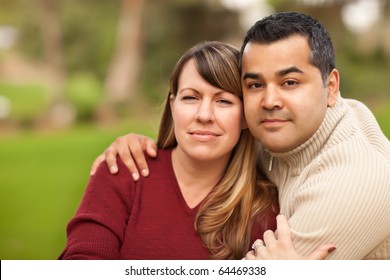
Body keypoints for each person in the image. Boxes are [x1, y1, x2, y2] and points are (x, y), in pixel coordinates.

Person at [92, 12, 390, 260]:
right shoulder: (275, 133)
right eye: (256, 85)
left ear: (332, 86)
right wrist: (134, 143)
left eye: (289, 82)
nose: (270, 100)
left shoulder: (354, 183)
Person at [60, 41, 332, 260]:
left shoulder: (264, 210)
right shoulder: (124, 169)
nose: (204, 115)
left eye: (224, 101)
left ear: (246, 117)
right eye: (190, 97)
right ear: (173, 104)